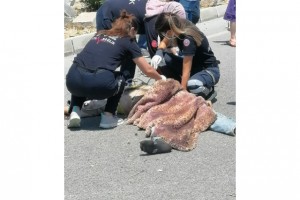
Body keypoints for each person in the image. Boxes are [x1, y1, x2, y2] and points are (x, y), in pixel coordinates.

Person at [66, 11, 165, 129]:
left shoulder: (99, 34)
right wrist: (161, 78)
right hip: (98, 84)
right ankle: (108, 116)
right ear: (132, 29)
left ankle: (75, 110)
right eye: (135, 33)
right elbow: (147, 70)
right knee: (120, 77)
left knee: (83, 70)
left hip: (72, 80)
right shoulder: (128, 40)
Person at [151, 12, 220, 100]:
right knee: (162, 59)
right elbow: (164, 43)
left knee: (193, 84)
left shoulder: (188, 39)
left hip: (208, 69)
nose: (164, 35)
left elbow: (186, 71)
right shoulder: (177, 25)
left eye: (164, 33)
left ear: (169, 31)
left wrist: (183, 94)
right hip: (194, 66)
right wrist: (158, 53)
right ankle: (176, 86)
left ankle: (208, 91)